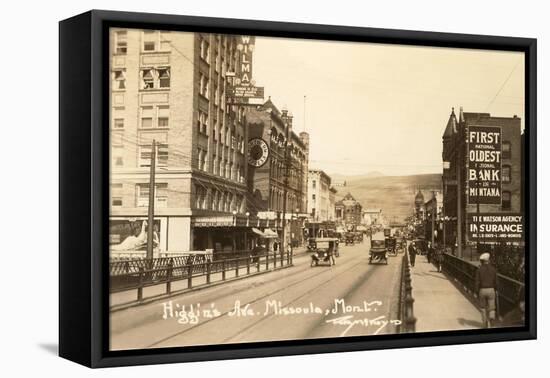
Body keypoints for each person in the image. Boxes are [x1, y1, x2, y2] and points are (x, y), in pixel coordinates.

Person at [476, 253, 498, 328]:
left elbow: (477, 282)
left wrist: (476, 291)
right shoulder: (493, 269)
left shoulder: (479, 269)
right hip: (491, 289)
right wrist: (496, 289)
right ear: (488, 260)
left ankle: (485, 323)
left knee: (483, 308)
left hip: (482, 290)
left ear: (482, 261)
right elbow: (496, 281)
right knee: (492, 307)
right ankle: (492, 320)